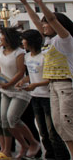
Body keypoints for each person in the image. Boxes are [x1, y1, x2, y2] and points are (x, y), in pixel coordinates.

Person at [20, 0, 73, 156]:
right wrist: (27, 5)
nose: (43, 25)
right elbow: (37, 21)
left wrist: (40, 3)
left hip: (66, 85)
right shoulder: (49, 41)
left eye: (47, 23)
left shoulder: (65, 40)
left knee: (68, 124)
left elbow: (51, 18)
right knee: (59, 127)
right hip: (53, 86)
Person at [0, 16, 40, 159]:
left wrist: (9, 83)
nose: (0, 38)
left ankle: (33, 143)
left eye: (2, 35)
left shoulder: (19, 53)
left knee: (12, 118)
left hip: (19, 90)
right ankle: (24, 144)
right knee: (4, 120)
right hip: (5, 90)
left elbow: (21, 72)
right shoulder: (2, 49)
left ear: (8, 38)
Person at [17, 29, 70, 160]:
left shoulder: (45, 55)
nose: (22, 42)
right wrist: (22, 81)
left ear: (31, 40)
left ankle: (60, 155)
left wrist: (36, 85)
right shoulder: (27, 57)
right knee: (42, 131)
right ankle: (48, 154)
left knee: (53, 130)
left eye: (24, 39)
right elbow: (30, 75)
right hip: (35, 96)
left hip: (47, 95)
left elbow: (50, 77)